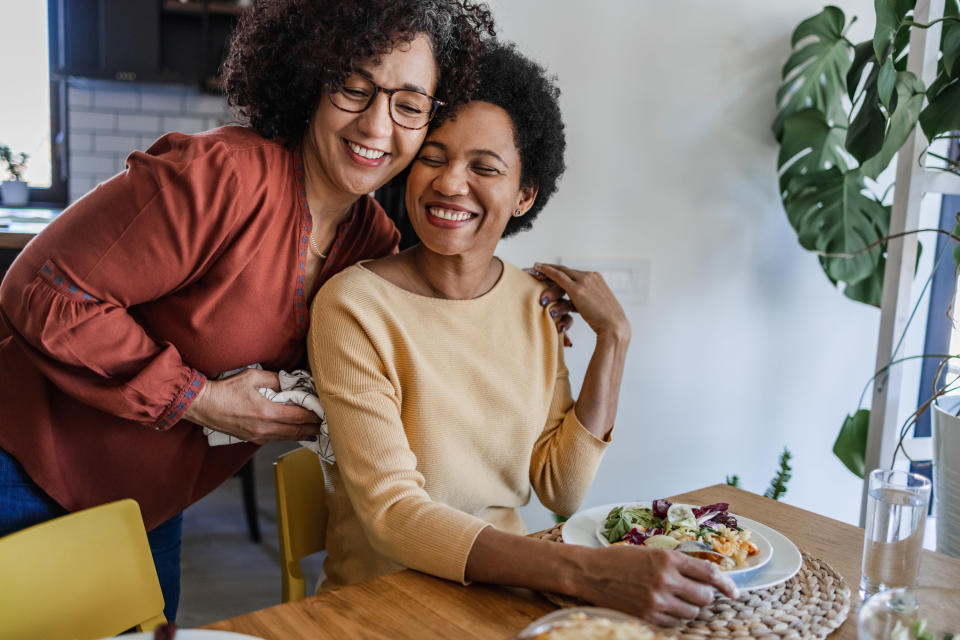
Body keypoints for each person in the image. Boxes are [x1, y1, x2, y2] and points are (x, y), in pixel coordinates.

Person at [0, 0, 500, 621]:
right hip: (22, 468)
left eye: (409, 104)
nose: (377, 126)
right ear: (312, 80)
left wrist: (522, 314)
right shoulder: (221, 176)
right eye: (354, 87)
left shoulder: (372, 244)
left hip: (146, 507)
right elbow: (45, 290)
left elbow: (407, 363)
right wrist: (198, 399)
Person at [307, 42, 738, 627]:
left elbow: (559, 488)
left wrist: (613, 338)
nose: (450, 184)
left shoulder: (531, 303)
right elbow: (395, 515)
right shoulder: (355, 306)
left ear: (524, 195)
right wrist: (584, 571)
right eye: (433, 158)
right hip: (385, 605)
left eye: (484, 168)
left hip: (505, 593)